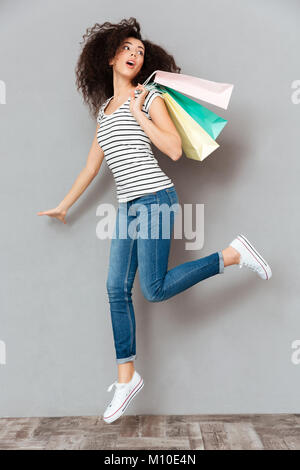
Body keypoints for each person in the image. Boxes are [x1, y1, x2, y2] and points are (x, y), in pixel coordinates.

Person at [37, 18, 272, 424]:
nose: (134, 54)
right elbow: (91, 168)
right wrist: (64, 206)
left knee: (155, 288)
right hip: (128, 207)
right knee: (115, 289)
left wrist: (141, 114)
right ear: (110, 56)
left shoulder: (149, 99)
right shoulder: (103, 113)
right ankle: (126, 379)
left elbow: (174, 149)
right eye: (127, 48)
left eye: (140, 51)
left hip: (156, 199)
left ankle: (232, 255)